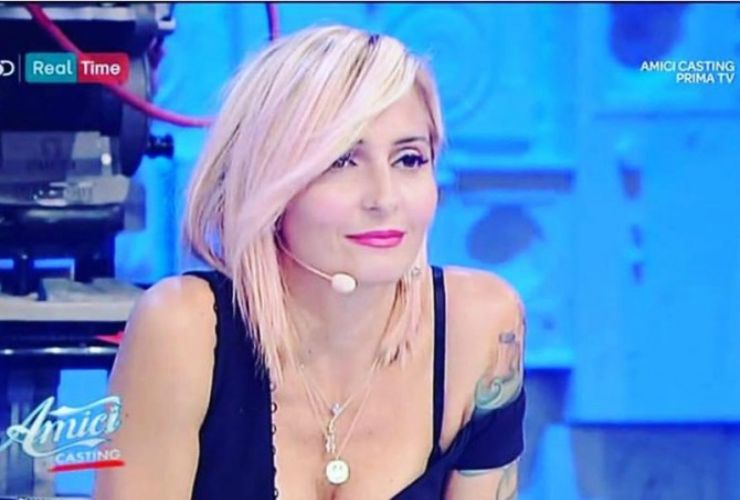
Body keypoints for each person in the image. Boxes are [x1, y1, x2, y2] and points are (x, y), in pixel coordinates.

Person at [93, 24, 526, 500]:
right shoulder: (181, 329)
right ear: (269, 180)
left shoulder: (481, 325)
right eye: (341, 161)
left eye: (409, 160)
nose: (385, 199)